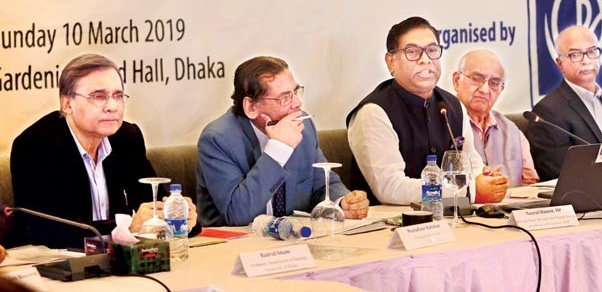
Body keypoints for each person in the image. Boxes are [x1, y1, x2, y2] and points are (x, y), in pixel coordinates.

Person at [10, 54, 198, 248]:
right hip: (58, 265)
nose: (112, 106)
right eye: (98, 96)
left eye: (118, 96)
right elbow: (45, 231)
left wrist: (178, 216)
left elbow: (151, 205)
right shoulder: (35, 146)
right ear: (67, 104)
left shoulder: (126, 138)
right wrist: (127, 228)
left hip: (118, 260)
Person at [347, 16, 509, 205]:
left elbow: (471, 163)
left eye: (432, 50)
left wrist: (487, 179)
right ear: (391, 62)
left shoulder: (453, 105)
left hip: (450, 217)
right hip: (392, 224)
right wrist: (470, 190)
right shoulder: (373, 113)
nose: (425, 60)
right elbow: (390, 187)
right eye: (412, 52)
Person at [197, 56, 368, 226]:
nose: (298, 103)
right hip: (232, 245)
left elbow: (322, 184)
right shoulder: (217, 139)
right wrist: (277, 150)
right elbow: (238, 214)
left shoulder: (303, 126)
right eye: (285, 98)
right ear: (251, 107)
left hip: (292, 238)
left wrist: (342, 202)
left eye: (296, 92)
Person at [525, 25, 602, 181]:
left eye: (592, 52)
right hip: (586, 199)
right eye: (575, 54)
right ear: (559, 63)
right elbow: (558, 173)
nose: (586, 60)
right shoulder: (547, 111)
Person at [452, 49, 539, 187]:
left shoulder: (513, 131)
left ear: (501, 89)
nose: (485, 90)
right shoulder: (443, 124)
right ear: (457, 81)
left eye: (494, 83)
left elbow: (530, 184)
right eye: (476, 79)